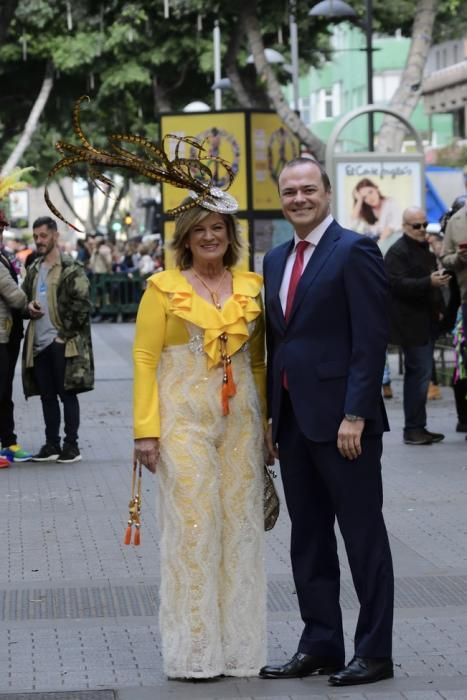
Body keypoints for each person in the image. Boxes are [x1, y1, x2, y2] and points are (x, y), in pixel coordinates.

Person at [261, 157, 394, 687]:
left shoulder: (354, 250)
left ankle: (375, 653)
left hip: (346, 426)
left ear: (327, 193)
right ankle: (320, 642)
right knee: (308, 540)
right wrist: (272, 422)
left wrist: (355, 413)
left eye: (308, 189)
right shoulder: (274, 259)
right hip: (293, 425)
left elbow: (370, 340)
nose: (299, 198)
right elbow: (280, 344)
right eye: (290, 191)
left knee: (363, 539)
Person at [133, 195, 267, 680]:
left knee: (240, 530)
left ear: (230, 234)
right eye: (199, 229)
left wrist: (268, 426)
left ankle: (239, 649)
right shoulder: (163, 289)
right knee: (194, 528)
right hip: (182, 420)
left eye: (218, 227)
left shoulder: (252, 287)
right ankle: (195, 652)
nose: (210, 236)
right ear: (185, 238)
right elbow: (145, 359)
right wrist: (145, 431)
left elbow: (257, 363)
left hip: (242, 423)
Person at [21, 216, 94, 463]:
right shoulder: (33, 269)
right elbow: (22, 300)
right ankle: (51, 444)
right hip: (38, 345)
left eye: (43, 236)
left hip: (62, 344)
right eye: (36, 237)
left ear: (54, 236)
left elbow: (83, 304)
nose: (39, 241)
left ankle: (71, 445)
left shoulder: (70, 268)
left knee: (67, 395)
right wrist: (28, 307)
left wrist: (64, 336)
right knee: (47, 396)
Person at [385, 207, 450, 445]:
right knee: (418, 377)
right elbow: (395, 284)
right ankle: (413, 428)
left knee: (421, 376)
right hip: (410, 326)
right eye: (416, 226)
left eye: (424, 224)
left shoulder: (424, 248)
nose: (422, 229)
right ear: (405, 227)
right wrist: (428, 282)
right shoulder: (398, 251)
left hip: (426, 323)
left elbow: (429, 280)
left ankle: (418, 427)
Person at [0, 209, 41, 466]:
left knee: (4, 392)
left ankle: (9, 443)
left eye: (2, 227)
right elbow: (12, 293)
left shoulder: (4, 256)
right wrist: (30, 306)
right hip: (1, 336)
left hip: (8, 333)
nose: (0, 232)